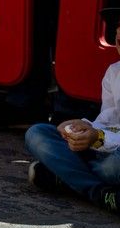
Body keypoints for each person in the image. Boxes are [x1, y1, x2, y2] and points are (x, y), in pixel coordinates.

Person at [24, 16, 119, 214]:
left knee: (111, 167)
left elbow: (105, 137)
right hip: (106, 148)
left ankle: (70, 179)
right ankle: (101, 192)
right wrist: (83, 127)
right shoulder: (114, 72)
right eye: (119, 41)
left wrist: (99, 137)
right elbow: (109, 120)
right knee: (37, 134)